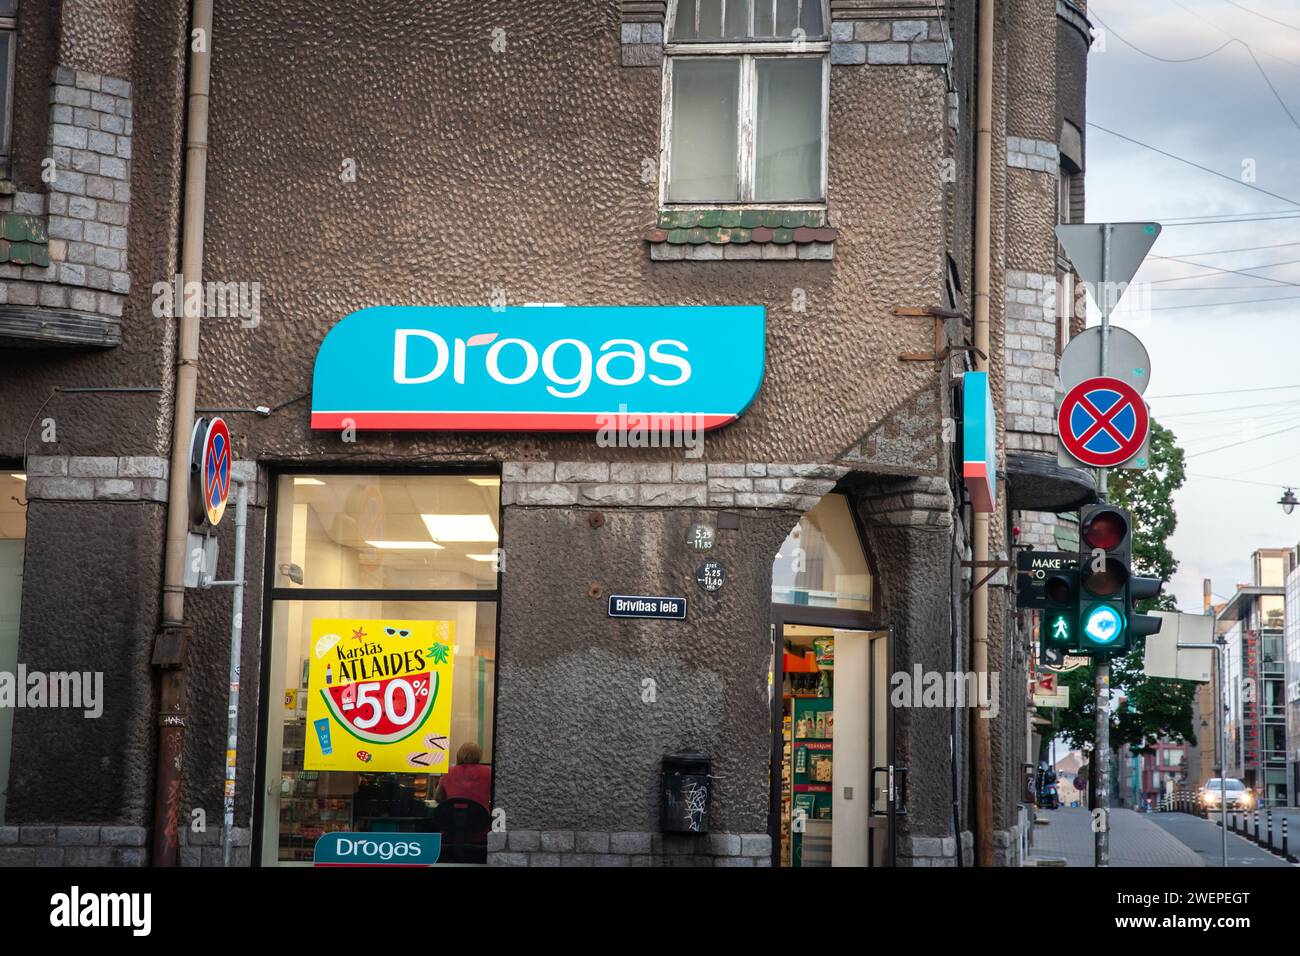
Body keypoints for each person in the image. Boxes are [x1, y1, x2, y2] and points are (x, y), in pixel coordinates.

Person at [435, 742, 491, 809]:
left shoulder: (448, 772)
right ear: (479, 755)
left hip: (454, 817)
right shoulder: (488, 772)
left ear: (459, 754)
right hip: (480, 817)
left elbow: (438, 798)